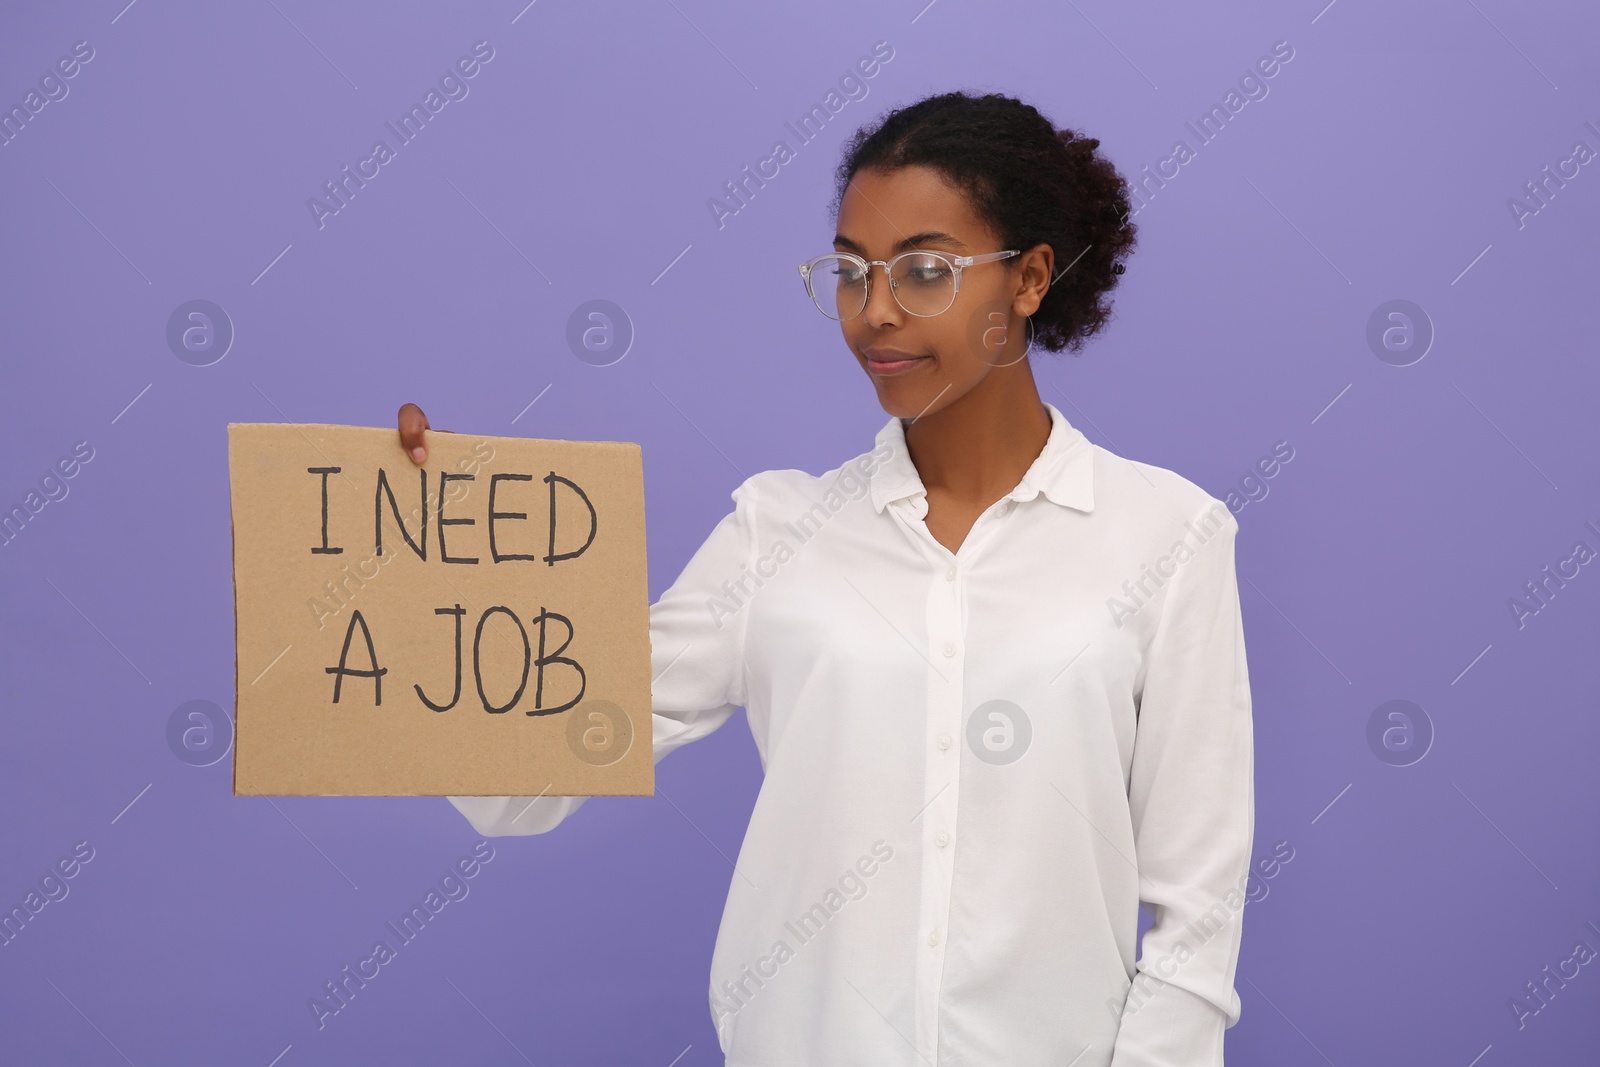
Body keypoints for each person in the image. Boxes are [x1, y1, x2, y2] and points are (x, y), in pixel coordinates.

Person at [398, 90, 1254, 1067]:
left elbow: (1197, 909)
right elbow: (532, 775)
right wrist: (439, 550)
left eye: (925, 270)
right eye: (850, 272)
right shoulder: (777, 531)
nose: (875, 309)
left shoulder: (1169, 536)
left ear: (1028, 278)